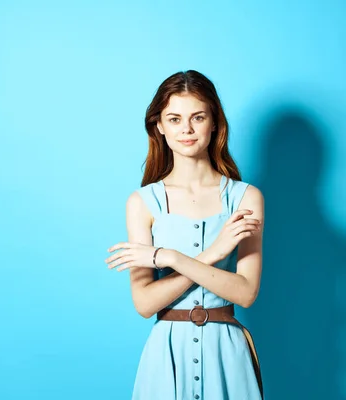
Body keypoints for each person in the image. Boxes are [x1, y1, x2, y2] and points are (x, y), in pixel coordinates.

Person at [105, 70, 264, 400]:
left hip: (228, 358)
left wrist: (170, 257)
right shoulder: (142, 202)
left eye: (198, 117)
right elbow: (145, 303)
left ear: (214, 122)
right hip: (165, 358)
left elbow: (245, 293)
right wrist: (211, 254)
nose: (187, 130)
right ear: (159, 126)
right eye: (175, 119)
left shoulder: (246, 198)